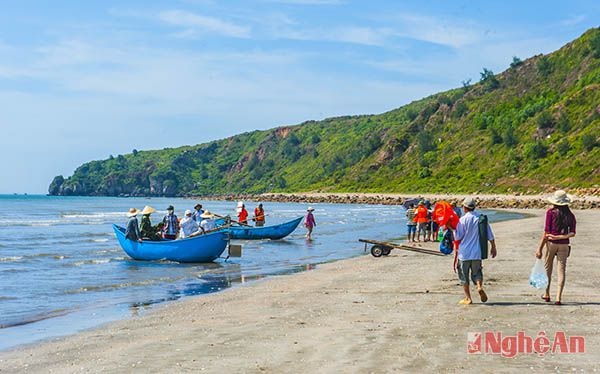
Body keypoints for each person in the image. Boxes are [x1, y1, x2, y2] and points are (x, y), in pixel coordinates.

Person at [536, 190, 576, 305]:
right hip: (564, 245)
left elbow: (546, 232)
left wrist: (539, 248)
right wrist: (562, 236)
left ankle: (547, 294)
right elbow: (573, 233)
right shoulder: (570, 215)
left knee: (548, 269)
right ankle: (558, 297)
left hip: (551, 243)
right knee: (561, 270)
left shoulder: (551, 213)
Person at [454, 197, 497, 305]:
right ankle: (479, 286)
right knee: (477, 272)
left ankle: (468, 298)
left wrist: (452, 228)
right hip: (477, 252)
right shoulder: (481, 218)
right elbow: (489, 234)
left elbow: (458, 236)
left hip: (464, 253)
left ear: (464, 207)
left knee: (464, 275)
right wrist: (493, 247)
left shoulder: (462, 220)